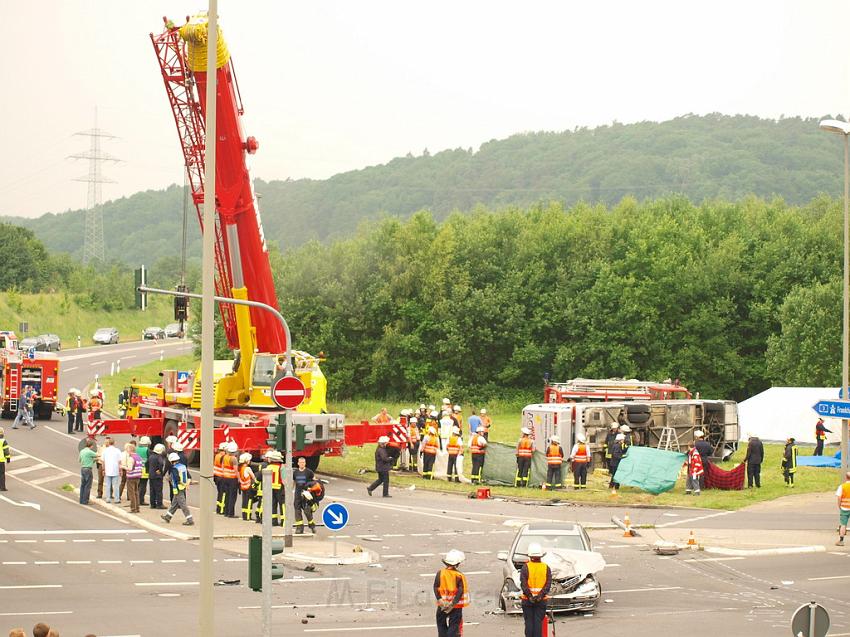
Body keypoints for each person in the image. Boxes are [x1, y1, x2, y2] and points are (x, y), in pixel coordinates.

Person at [433, 549, 468, 637]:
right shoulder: (459, 575)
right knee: (454, 626)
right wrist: (452, 604)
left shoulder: (440, 573)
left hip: (442, 605)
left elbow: (435, 587)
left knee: (441, 625)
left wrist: (439, 599)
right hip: (455, 607)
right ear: (457, 564)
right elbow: (460, 591)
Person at [520, 542, 551, 637]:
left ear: (529, 555)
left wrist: (529, 596)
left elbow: (523, 584)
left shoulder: (526, 567)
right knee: (538, 623)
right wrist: (540, 596)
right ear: (541, 555)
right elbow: (548, 584)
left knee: (529, 623)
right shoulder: (546, 568)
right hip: (541, 601)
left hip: (527, 601)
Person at [161, 452, 194, 525]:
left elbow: (177, 478)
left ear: (171, 461)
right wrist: (186, 484)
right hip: (182, 487)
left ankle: (189, 519)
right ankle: (168, 517)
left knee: (183, 505)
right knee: (174, 504)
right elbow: (189, 476)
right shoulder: (183, 466)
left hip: (178, 488)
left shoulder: (174, 468)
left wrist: (169, 479)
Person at [293, 456, 316, 533]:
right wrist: (290, 489)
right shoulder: (295, 472)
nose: (302, 464)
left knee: (307, 511)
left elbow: (314, 481)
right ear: (298, 463)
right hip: (297, 494)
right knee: (297, 510)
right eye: (301, 463)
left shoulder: (309, 472)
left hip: (306, 494)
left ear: (305, 463)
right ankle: (299, 528)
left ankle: (312, 525)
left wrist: (313, 489)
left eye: (303, 463)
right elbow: (294, 482)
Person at [265, 450, 285, 526]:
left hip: (270, 489)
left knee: (273, 505)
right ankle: (283, 521)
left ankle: (274, 521)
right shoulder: (281, 467)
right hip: (280, 488)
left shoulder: (269, 466)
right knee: (282, 505)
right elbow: (284, 479)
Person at [221, 441, 240, 518]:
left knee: (227, 495)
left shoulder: (225, 457)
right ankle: (231, 513)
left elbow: (222, 467)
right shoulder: (234, 459)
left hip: (225, 478)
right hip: (232, 479)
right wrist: (239, 479)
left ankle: (226, 512)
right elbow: (236, 470)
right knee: (232, 496)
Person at [101, 437, 122, 503]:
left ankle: (108, 498)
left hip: (108, 469)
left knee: (108, 485)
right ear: (114, 443)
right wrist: (120, 470)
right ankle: (117, 499)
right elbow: (119, 461)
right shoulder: (117, 450)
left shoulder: (105, 451)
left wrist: (103, 470)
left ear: (108, 443)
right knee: (116, 485)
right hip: (115, 469)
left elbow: (103, 461)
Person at [124, 441, 143, 513]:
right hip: (138, 476)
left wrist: (122, 466)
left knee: (131, 493)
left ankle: (133, 508)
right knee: (136, 492)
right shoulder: (138, 457)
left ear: (129, 450)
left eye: (127, 449)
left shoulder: (131, 458)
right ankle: (137, 507)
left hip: (131, 476)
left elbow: (129, 468)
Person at [238, 452, 257, 521]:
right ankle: (248, 516)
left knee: (244, 501)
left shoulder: (240, 468)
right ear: (246, 461)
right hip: (248, 487)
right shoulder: (248, 468)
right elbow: (254, 477)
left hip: (243, 486)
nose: (250, 461)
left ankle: (244, 515)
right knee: (249, 501)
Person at [78, 438, 97, 504]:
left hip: (83, 468)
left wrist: (91, 460)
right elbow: (97, 455)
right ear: (91, 446)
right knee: (88, 486)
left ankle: (81, 500)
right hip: (88, 469)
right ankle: (85, 501)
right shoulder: (89, 451)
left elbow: (79, 460)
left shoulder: (82, 451)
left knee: (83, 485)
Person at [148, 443, 166, 509]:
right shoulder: (159, 457)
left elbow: (147, 464)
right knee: (158, 490)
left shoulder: (151, 456)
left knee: (152, 490)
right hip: (157, 476)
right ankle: (159, 504)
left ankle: (152, 504)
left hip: (151, 475)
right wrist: (161, 472)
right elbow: (161, 465)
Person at [836, 471, 850, 546]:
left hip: (844, 508)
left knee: (843, 524)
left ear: (846, 478)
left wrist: (839, 506)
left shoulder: (842, 486)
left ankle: (841, 541)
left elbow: (839, 497)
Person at [213, 441, 227, 514]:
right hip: (222, 477)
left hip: (216, 476)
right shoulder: (223, 457)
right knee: (223, 494)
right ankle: (221, 509)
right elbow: (223, 467)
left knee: (220, 493)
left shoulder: (217, 455)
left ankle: (218, 509)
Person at [137, 436, 151, 506]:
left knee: (138, 485)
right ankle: (141, 500)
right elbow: (150, 460)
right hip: (145, 470)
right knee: (143, 486)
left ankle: (136, 499)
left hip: (137, 469)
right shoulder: (147, 450)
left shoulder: (137, 449)